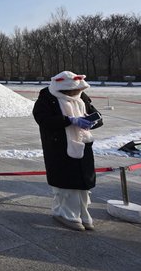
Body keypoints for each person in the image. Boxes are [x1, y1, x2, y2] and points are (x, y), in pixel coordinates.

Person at [33, 70, 103, 231]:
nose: (75, 94)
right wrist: (69, 120)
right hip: (60, 148)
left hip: (83, 145)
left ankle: (83, 214)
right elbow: (43, 120)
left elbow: (97, 115)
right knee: (66, 184)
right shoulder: (47, 99)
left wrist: (91, 121)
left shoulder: (82, 97)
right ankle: (66, 214)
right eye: (71, 91)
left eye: (77, 90)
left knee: (82, 184)